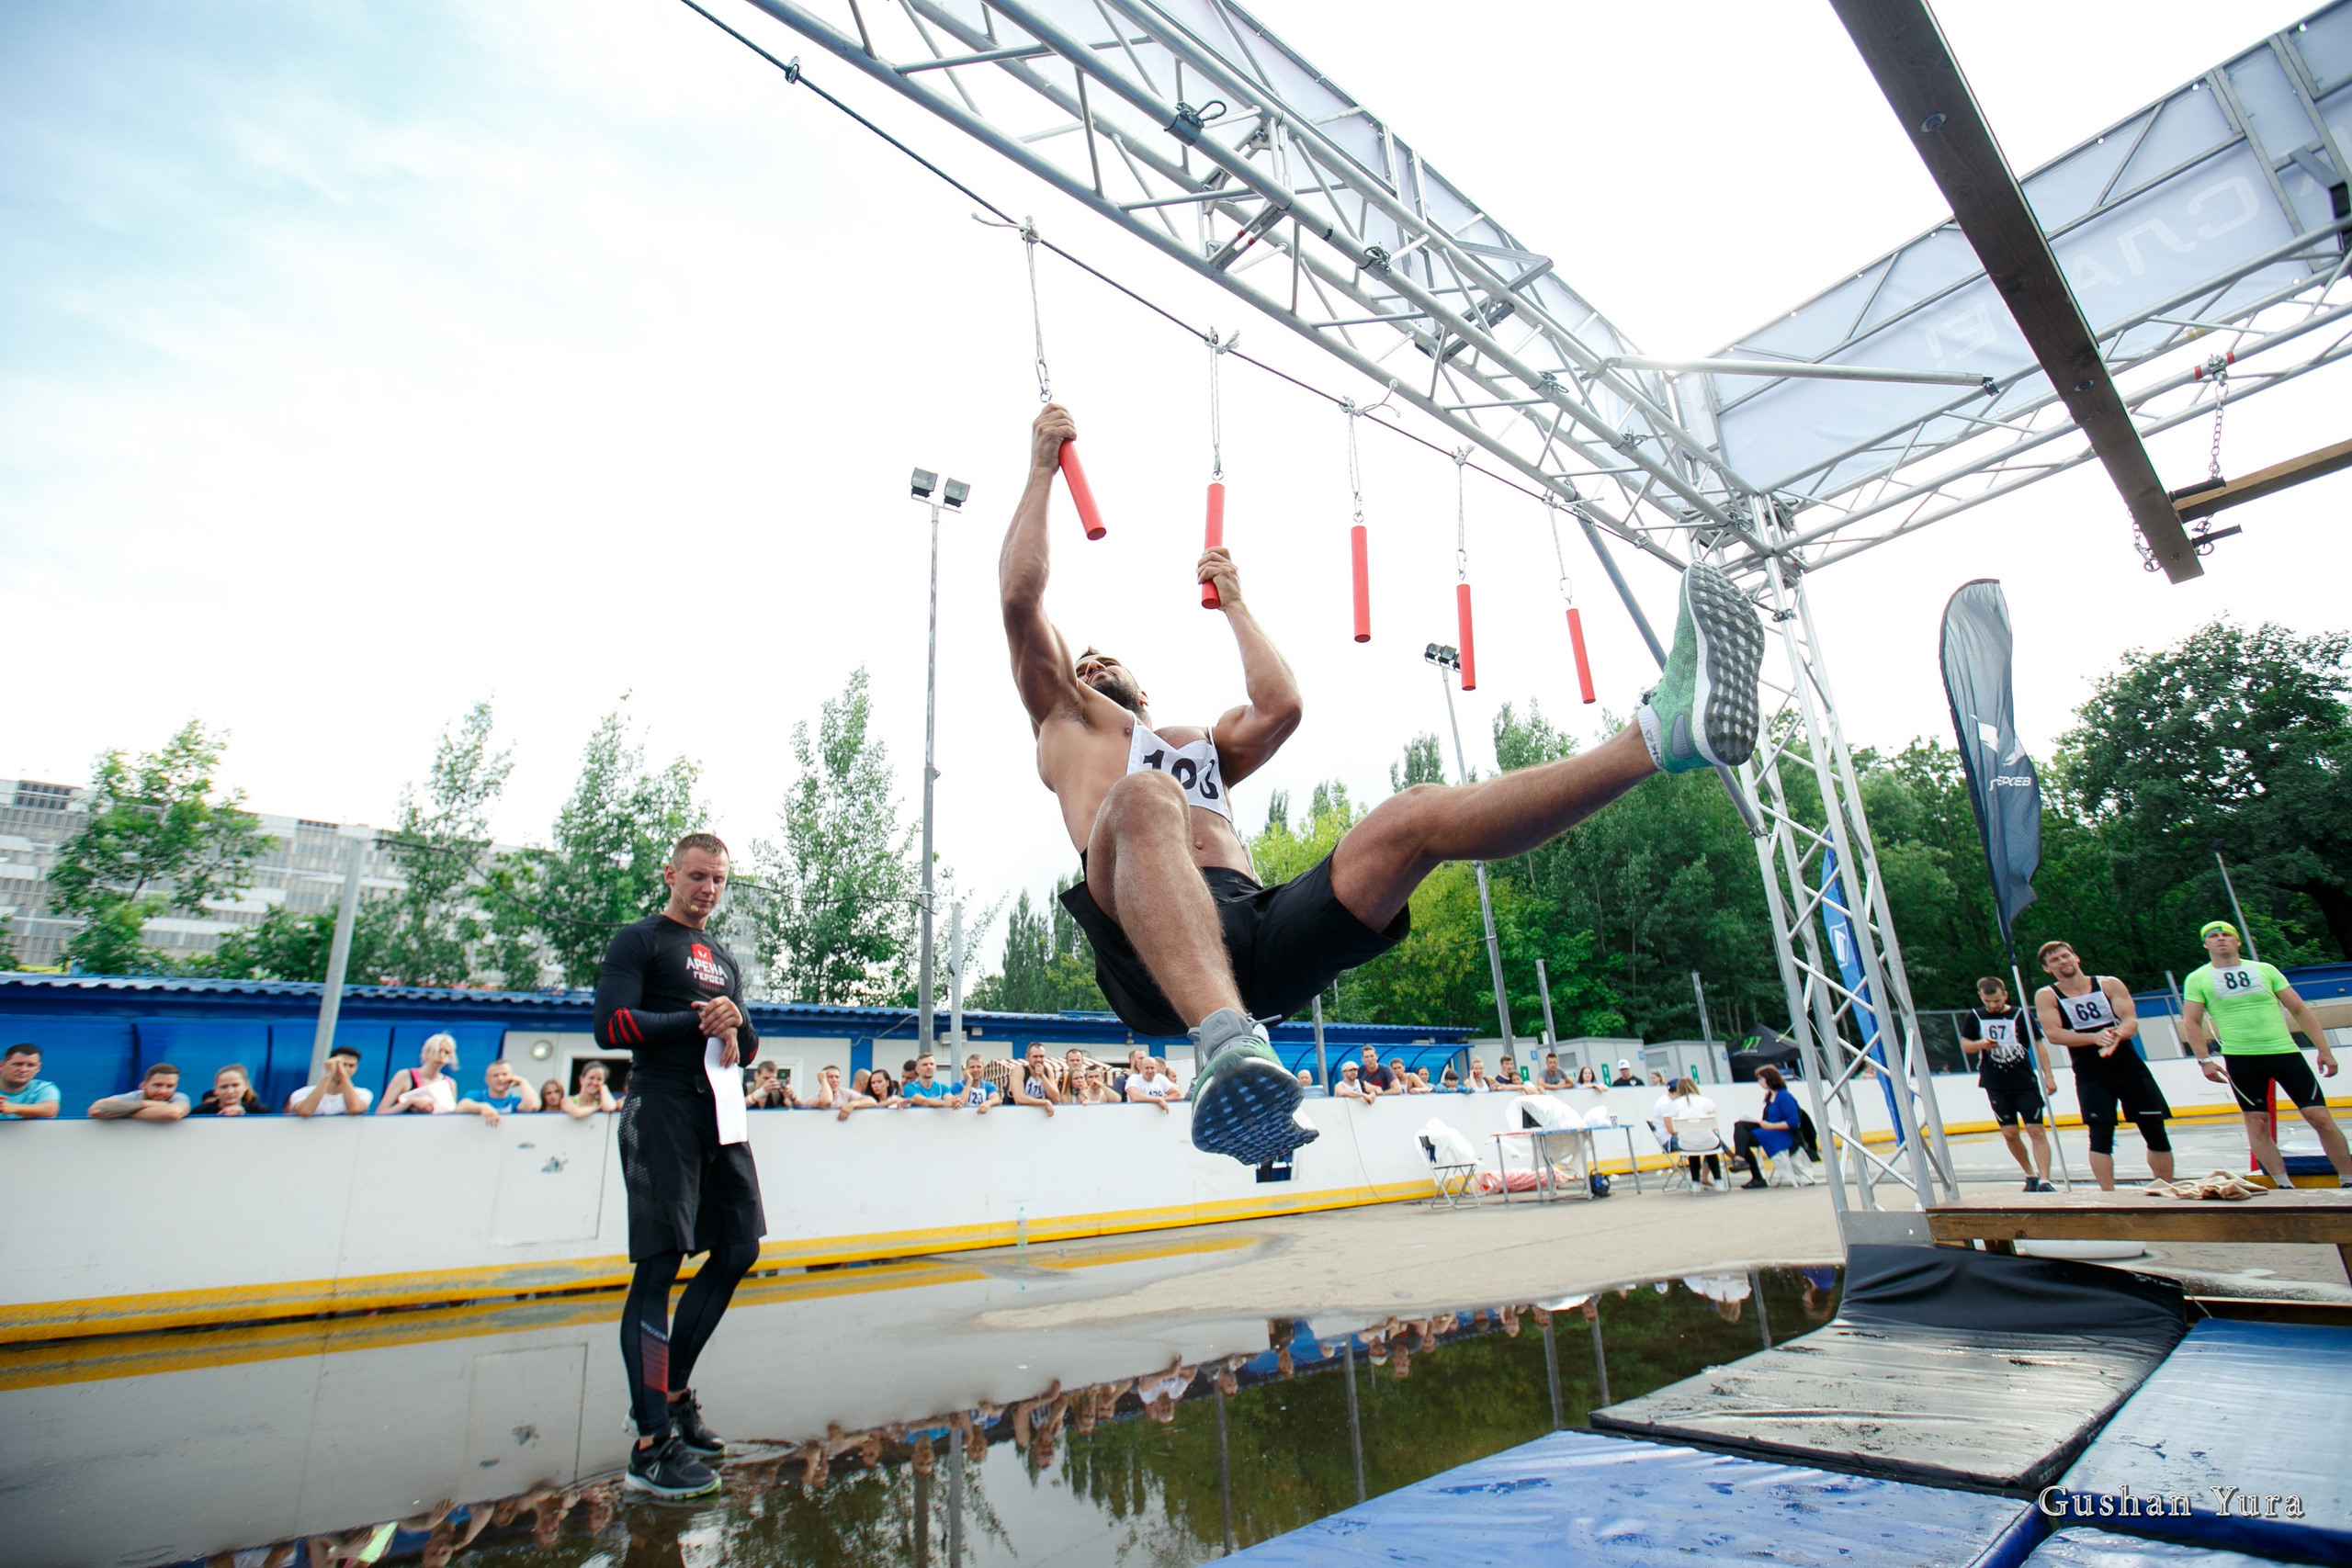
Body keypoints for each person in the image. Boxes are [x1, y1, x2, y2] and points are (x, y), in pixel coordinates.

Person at [1001, 403, 1764, 1166]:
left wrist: (1235, 601)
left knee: (1415, 814)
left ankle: (1660, 737)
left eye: (1108, 659)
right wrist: (1042, 469)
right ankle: (1228, 1051)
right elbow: (1019, 600)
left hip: (1252, 934)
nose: (1093, 665)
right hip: (1147, 942)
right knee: (1142, 797)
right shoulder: (1068, 720)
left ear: (1145, 683)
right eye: (1085, 660)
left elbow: (1281, 706)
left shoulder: (1197, 742)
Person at [592, 832, 766, 1500]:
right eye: (697, 876)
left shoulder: (722, 956)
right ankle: (650, 1442)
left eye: (719, 880)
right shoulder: (638, 940)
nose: (708, 890)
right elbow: (611, 1027)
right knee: (660, 1266)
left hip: (719, 1114)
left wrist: (735, 1021)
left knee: (738, 1248)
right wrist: (694, 1020)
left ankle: (675, 1394)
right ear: (670, 873)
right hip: (659, 1109)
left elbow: (744, 1046)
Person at [2180, 919, 2352, 1187]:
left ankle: (2348, 1178)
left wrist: (2324, 1049)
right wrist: (2205, 1060)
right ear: (2206, 944)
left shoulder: (2265, 970)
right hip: (2241, 1059)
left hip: (2284, 1052)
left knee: (2319, 1116)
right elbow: (2191, 1021)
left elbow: (2299, 1009)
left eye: (2227, 934)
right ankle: (2284, 1184)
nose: (2221, 939)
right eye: (2214, 936)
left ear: (2238, 942)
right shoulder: (2198, 978)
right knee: (2257, 1122)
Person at [2035, 941, 2176, 1190]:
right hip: (2091, 1074)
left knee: (2155, 1130)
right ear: (2047, 968)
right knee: (2100, 1136)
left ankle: (2165, 1188)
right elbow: (2054, 1034)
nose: (2062, 962)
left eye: (2065, 956)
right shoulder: (2047, 995)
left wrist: (2116, 1035)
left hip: (2129, 1068)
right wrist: (2093, 1038)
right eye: (2054, 960)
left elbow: (2131, 1021)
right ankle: (2108, 1197)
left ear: (2076, 957)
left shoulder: (2108, 984)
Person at [1959, 976, 2057, 1191]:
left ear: (2005, 995)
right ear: (1981, 998)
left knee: (2036, 1129)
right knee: (2009, 1132)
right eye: (1988, 1002)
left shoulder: (2021, 1015)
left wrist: (2048, 1075)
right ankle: (2029, 1174)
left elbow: (2038, 1044)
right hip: (1995, 1082)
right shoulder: (1975, 1017)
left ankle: (2045, 1179)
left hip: (2023, 1080)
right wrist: (1981, 1044)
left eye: (1997, 1001)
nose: (1993, 1006)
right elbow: (1966, 1045)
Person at [1732, 1065, 1803, 1188]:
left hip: (1780, 1133)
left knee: (1743, 1138)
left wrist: (1770, 1126)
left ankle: (1751, 1170)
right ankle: (1741, 1160)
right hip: (1770, 1130)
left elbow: (1793, 1122)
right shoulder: (1770, 1096)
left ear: (1769, 1079)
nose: (1759, 1082)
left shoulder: (1784, 1096)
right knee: (1740, 1126)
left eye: (1760, 1079)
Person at [1660, 1077, 1724, 1190]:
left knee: (1692, 1151)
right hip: (1708, 1142)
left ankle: (1695, 1183)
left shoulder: (1676, 1104)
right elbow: (1713, 1127)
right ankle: (1718, 1181)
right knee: (1711, 1150)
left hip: (1687, 1144)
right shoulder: (1707, 1101)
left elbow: (1675, 1128)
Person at [378, 1034, 463, 1116]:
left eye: (447, 1052)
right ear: (426, 1052)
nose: (441, 1056)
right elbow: (380, 1113)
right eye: (438, 1051)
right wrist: (410, 1102)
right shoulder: (405, 1076)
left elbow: (452, 1116)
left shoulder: (450, 1083)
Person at [290, 1044, 375, 1116]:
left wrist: (343, 1075)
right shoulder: (303, 1093)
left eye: (351, 1066)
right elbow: (305, 1111)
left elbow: (354, 1109)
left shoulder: (363, 1093)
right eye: (343, 1065)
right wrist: (329, 1073)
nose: (346, 1069)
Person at [89, 1063, 191, 1121]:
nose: (162, 1091)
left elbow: (173, 1113)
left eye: (169, 1086)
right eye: (157, 1085)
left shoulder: (179, 1097)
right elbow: (96, 1110)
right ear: (143, 1085)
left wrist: (120, 1112)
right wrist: (148, 1104)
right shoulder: (133, 1097)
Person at [0, 1043, 61, 1120]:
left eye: (30, 1065)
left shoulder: (42, 1088)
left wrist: (12, 1108)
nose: (23, 1070)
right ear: (1, 1066)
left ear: (38, 1068)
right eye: (17, 1064)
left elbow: (50, 1110)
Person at [193, 1063, 270, 1116]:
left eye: (235, 1085)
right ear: (215, 1090)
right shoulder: (200, 1112)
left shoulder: (259, 1111)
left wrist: (244, 1115)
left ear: (246, 1086)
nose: (229, 1091)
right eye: (223, 1087)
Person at [1010, 1044, 1060, 1116]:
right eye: (1035, 1057)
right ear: (1027, 1057)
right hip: (1015, 1114)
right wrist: (1045, 1102)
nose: (1039, 1060)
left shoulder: (1048, 1072)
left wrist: (1042, 1076)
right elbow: (1019, 1099)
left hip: (1037, 1116)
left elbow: (1056, 1099)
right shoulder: (1019, 1070)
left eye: (1041, 1056)